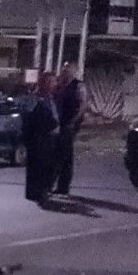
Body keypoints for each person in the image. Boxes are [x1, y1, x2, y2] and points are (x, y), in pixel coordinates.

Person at [22, 72, 61, 203]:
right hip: (38, 137)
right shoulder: (34, 98)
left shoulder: (51, 98)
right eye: (49, 82)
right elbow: (28, 117)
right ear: (42, 83)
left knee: (49, 165)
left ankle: (45, 189)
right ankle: (36, 191)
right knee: (37, 165)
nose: (52, 85)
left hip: (52, 136)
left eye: (54, 82)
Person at [53, 63, 86, 195]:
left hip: (69, 124)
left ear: (74, 71)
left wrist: (74, 120)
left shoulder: (78, 85)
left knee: (65, 156)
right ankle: (53, 184)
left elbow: (83, 103)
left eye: (68, 69)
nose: (65, 71)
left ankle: (63, 186)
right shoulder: (59, 85)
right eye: (64, 69)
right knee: (55, 155)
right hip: (57, 124)